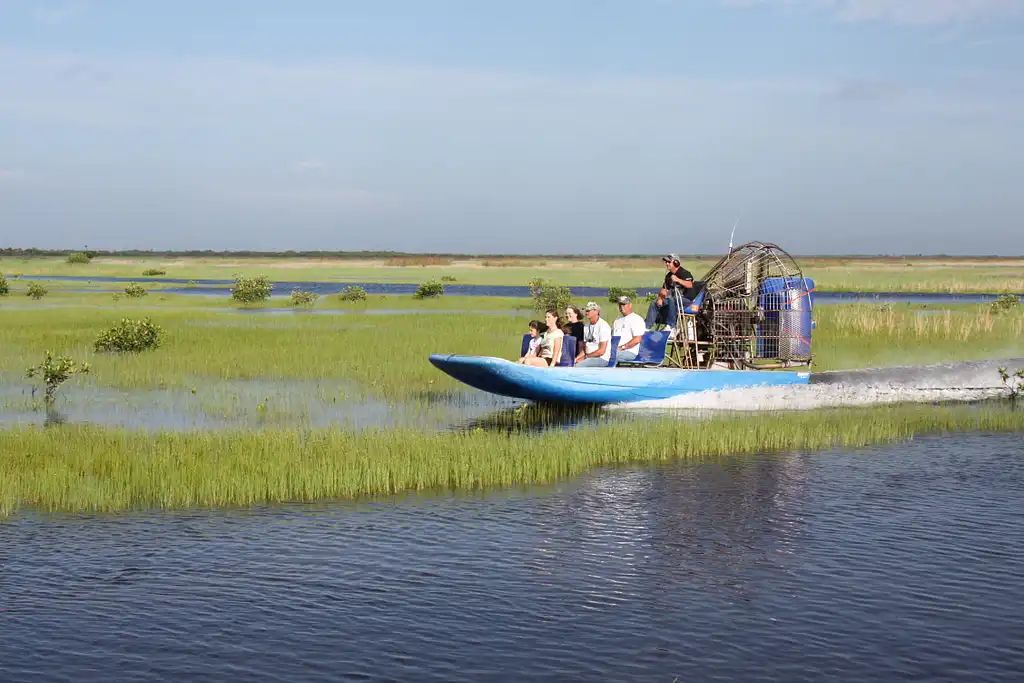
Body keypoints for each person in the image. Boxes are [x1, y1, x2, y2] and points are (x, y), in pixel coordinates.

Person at [645, 253, 694, 332]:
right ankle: (647, 327)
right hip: (673, 300)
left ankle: (671, 326)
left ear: (676, 263)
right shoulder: (668, 276)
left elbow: (690, 285)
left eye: (668, 262)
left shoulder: (684, 273)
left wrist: (678, 280)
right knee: (654, 303)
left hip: (686, 300)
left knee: (671, 299)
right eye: (666, 262)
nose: (666, 264)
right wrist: (660, 298)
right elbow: (664, 289)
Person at [575, 301, 613, 367]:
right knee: (573, 363)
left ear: (596, 311)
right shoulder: (586, 326)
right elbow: (584, 348)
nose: (586, 312)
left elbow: (601, 351)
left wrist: (586, 357)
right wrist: (576, 358)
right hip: (589, 357)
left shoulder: (603, 326)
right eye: (586, 310)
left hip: (601, 358)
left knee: (578, 366)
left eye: (588, 310)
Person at [611, 295, 647, 362]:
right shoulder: (617, 320)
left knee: (608, 356)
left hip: (630, 352)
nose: (621, 307)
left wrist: (621, 348)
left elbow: (637, 339)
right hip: (615, 350)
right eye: (620, 304)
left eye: (624, 304)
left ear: (630, 305)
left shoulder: (637, 319)